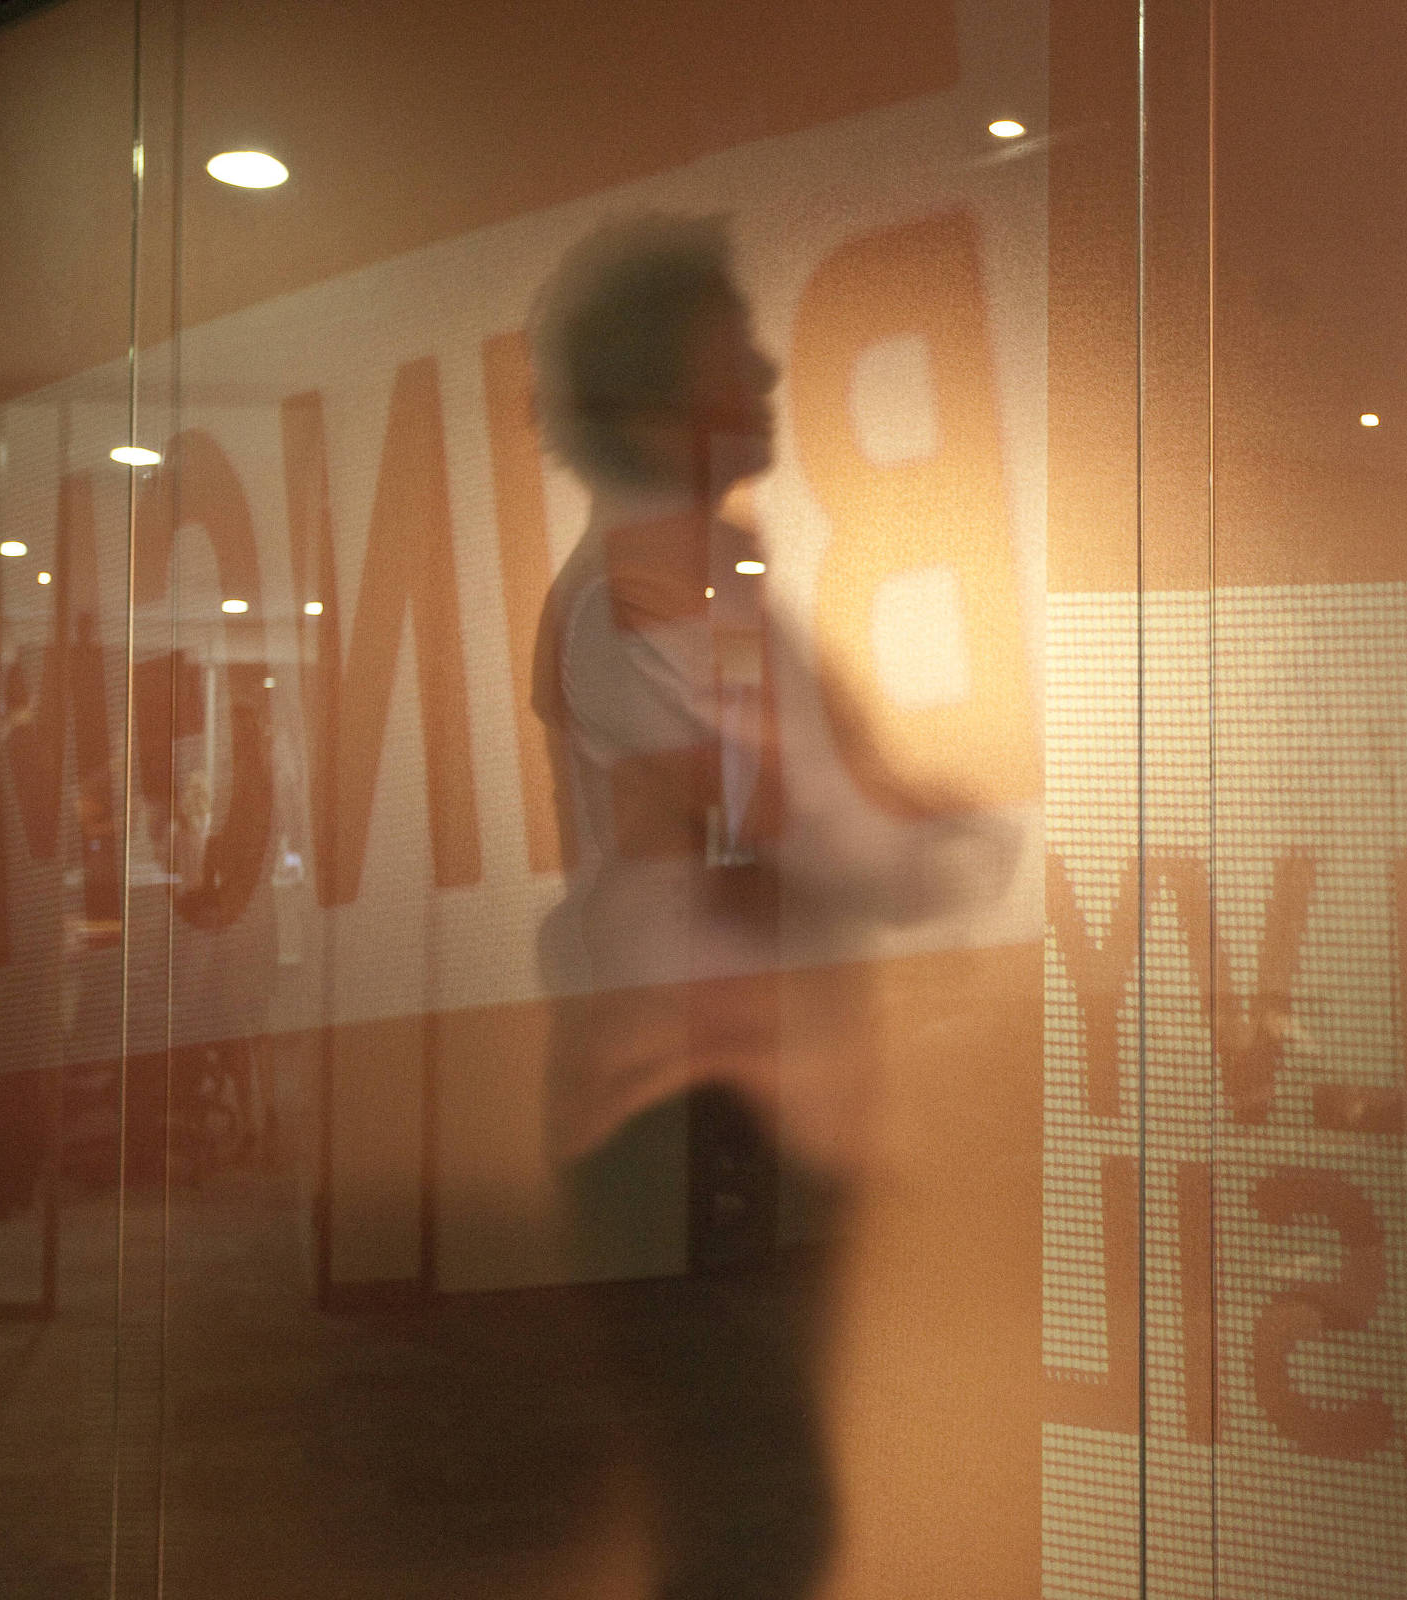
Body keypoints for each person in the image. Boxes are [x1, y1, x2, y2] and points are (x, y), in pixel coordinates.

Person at [527, 214, 1014, 1600]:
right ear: (651, 397)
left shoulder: (716, 588)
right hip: (687, 1127)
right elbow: (816, 828)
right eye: (728, 346)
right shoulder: (635, 605)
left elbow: (831, 799)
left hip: (743, 1126)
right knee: (752, 1538)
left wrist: (919, 829)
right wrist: (963, 847)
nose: (765, 369)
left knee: (753, 1531)